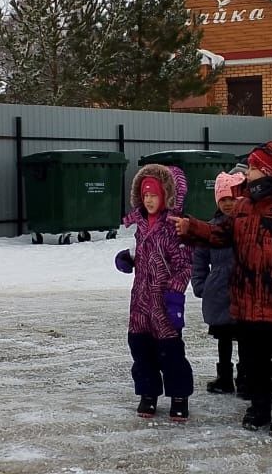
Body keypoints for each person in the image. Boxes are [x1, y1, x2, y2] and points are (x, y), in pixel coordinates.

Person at [171, 141, 272, 439]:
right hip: (246, 303)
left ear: (270, 171)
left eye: (253, 168)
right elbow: (219, 234)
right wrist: (192, 228)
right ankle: (259, 406)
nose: (248, 173)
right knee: (253, 362)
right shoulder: (243, 206)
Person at [114, 164, 194, 422]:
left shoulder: (174, 227)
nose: (149, 200)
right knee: (141, 349)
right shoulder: (140, 223)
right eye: (145, 195)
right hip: (140, 300)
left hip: (164, 302)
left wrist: (175, 295)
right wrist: (128, 259)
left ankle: (179, 396)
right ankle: (148, 393)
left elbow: (184, 265)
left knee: (170, 352)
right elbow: (143, 253)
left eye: (154, 195)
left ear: (166, 196)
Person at [191, 172, 245, 396]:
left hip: (244, 290)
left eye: (231, 199)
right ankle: (224, 377)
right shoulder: (210, 228)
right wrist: (201, 285)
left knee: (246, 338)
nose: (228, 204)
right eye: (223, 200)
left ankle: (246, 376)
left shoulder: (246, 226)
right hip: (219, 292)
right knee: (223, 337)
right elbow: (199, 259)